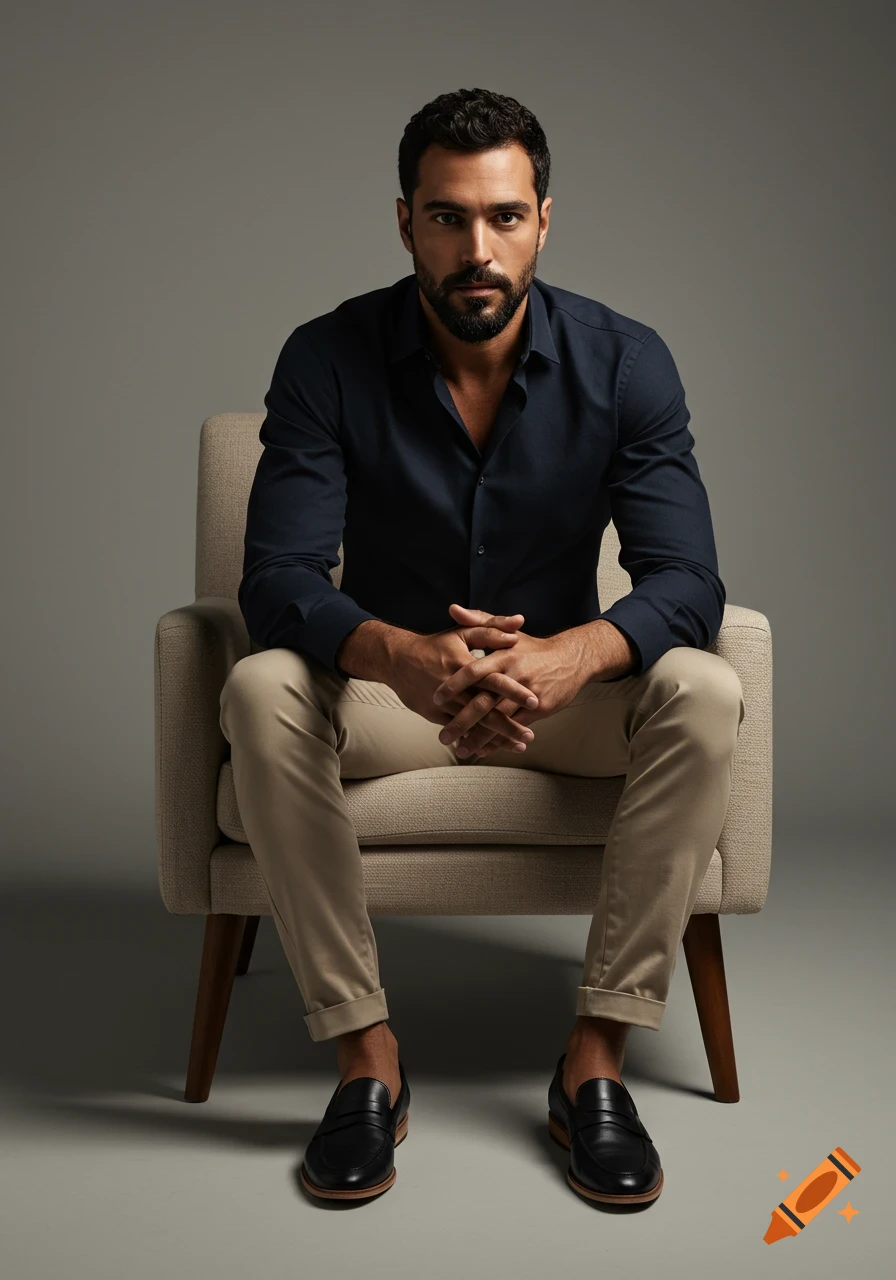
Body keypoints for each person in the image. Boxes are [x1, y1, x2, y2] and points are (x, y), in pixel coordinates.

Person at [219, 86, 744, 1205]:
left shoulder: (625, 361)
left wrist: (571, 656)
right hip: (386, 698)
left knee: (700, 686)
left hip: (564, 704)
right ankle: (367, 1056)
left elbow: (688, 580)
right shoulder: (324, 357)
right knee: (263, 684)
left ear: (543, 219)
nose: (477, 249)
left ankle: (592, 1056)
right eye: (447, 217)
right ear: (403, 220)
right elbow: (273, 580)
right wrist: (404, 655)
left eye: (502, 217)